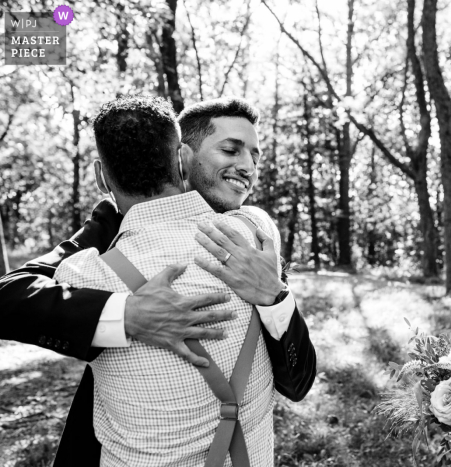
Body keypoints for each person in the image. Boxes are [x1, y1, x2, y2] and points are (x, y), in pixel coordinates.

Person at [0, 96, 316, 466]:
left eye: (255, 156)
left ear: (102, 176)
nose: (247, 166)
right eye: (230, 149)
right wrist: (127, 314)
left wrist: (275, 295)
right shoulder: (258, 230)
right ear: (183, 158)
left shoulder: (86, 271)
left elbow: (297, 379)